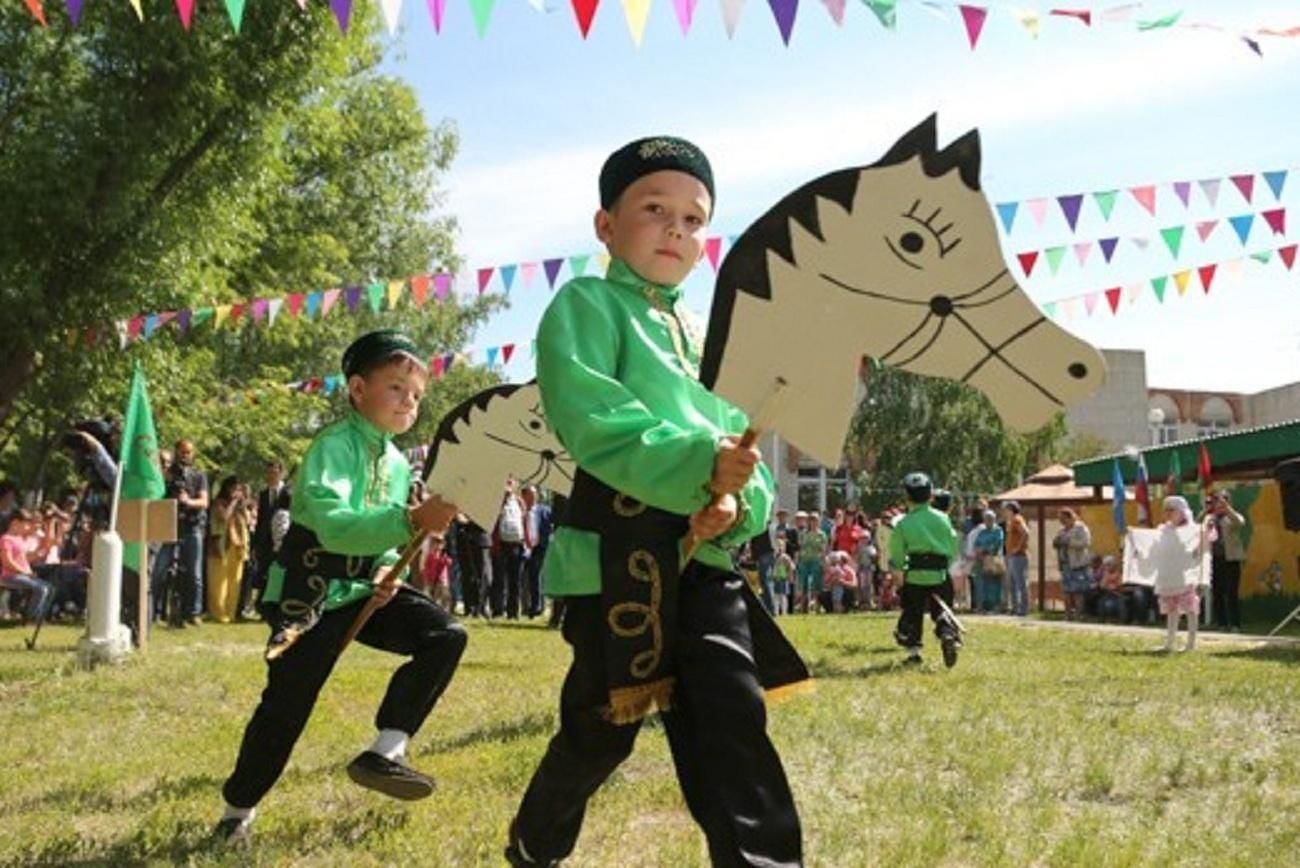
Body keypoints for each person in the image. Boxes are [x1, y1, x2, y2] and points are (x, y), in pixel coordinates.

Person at [507, 136, 806, 867]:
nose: (677, 228)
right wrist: (701, 466)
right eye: (654, 209)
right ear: (606, 225)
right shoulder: (585, 305)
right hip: (615, 559)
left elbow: (743, 450)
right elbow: (593, 419)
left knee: (732, 717)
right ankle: (534, 843)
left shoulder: (703, 338)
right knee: (600, 732)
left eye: (695, 218)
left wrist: (738, 502)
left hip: (703, 560)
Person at [214, 330, 465, 845]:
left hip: (361, 587)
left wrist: (383, 570)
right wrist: (411, 518)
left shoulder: (397, 463)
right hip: (310, 590)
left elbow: (390, 544)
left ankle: (386, 751)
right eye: (395, 387)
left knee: (446, 634)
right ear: (357, 389)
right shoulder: (332, 445)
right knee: (289, 701)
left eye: (416, 395)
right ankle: (238, 809)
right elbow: (333, 523)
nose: (408, 401)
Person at [889, 473, 961, 667]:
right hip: (939, 575)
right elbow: (952, 545)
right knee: (942, 608)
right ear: (931, 495)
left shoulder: (902, 523)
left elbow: (897, 556)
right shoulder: (943, 518)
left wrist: (900, 573)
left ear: (907, 497)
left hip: (915, 577)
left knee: (913, 612)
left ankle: (914, 654)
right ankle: (947, 632)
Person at [152, 439, 209, 626]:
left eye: (188, 452)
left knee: (194, 572)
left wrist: (187, 501)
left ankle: (193, 612)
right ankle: (153, 611)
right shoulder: (167, 474)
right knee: (159, 569)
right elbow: (157, 496)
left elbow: (204, 502)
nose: (185, 456)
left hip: (192, 527)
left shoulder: (199, 475)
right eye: (182, 452)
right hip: (169, 526)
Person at [1153, 496, 1210, 652]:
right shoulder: (1164, 530)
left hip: (1187, 576)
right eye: (1166, 510)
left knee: (1190, 610)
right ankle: (1169, 643)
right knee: (1172, 610)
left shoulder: (1193, 530)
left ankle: (1191, 644)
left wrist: (1206, 532)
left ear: (1182, 512)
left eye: (1171, 510)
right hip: (1170, 577)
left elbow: (1203, 547)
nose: (1168, 513)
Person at [206, 476, 252, 624]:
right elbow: (224, 517)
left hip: (237, 546)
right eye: (234, 488)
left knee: (235, 581)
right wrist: (233, 502)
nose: (237, 492)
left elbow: (249, 521)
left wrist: (243, 505)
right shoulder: (219, 503)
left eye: (239, 489)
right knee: (219, 580)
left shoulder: (241, 505)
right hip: (221, 544)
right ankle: (218, 613)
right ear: (227, 488)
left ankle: (231, 612)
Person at [0, 509, 56, 625]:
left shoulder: (19, 539)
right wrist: (25, 572)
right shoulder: (6, 539)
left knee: (50, 588)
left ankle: (40, 617)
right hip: (9, 576)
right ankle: (31, 618)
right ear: (15, 523)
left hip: (22, 575)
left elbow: (24, 558)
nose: (27, 527)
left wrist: (49, 524)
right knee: (41, 589)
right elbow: (7, 562)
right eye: (25, 524)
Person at [247, 460, 287, 619]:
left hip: (282, 540)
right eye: (269, 472)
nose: (271, 476)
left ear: (281, 473)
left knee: (280, 573)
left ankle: (279, 607)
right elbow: (261, 520)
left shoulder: (289, 492)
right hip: (266, 541)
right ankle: (264, 609)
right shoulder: (264, 494)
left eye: (274, 472)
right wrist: (256, 544)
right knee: (265, 573)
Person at [1203, 491, 1246, 632]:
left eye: (1222, 502)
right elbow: (1197, 525)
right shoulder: (1210, 519)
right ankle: (1222, 623)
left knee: (1231, 592)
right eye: (1217, 503)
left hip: (1231, 560)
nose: (1219, 506)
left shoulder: (1231, 517)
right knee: (1217, 592)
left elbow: (1240, 522)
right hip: (1214, 560)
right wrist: (1206, 510)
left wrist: (1227, 509)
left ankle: (1235, 624)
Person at [1053, 508, 1093, 620]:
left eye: (1063, 518)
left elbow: (1086, 542)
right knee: (1066, 590)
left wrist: (1070, 542)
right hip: (1065, 563)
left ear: (1070, 517)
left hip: (1077, 563)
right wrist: (1057, 542)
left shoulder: (1080, 528)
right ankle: (1068, 614)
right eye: (1060, 519)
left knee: (1078, 591)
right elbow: (1057, 542)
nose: (1061, 521)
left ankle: (1079, 614)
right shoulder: (1062, 530)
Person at [520, 485, 553, 619]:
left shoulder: (544, 510)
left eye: (535, 495)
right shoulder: (519, 509)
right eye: (530, 495)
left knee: (536, 577)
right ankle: (523, 606)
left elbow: (551, 526)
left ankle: (536, 607)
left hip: (538, 547)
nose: (533, 497)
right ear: (524, 496)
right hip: (521, 546)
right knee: (521, 577)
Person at [972, 510, 1005, 614]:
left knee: (993, 584)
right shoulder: (982, 531)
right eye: (986, 519)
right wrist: (978, 551)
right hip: (981, 560)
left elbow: (997, 544)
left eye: (990, 519)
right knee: (981, 584)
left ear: (993, 520)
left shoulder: (998, 530)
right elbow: (976, 543)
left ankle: (995, 607)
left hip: (992, 560)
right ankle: (981, 606)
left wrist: (985, 550)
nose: (988, 522)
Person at [1002, 500, 1030, 616]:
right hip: (1011, 556)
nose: (1004, 512)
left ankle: (1023, 609)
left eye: (1006, 509)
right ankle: (1014, 608)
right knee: (1011, 583)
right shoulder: (1010, 521)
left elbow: (1025, 532)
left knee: (1020, 583)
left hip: (1018, 556)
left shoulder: (1017, 519)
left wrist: (1018, 548)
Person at [798, 510, 828, 614]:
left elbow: (824, 550)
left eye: (815, 520)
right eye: (811, 520)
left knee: (816, 584)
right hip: (804, 561)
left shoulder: (822, 535)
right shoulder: (804, 534)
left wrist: (824, 563)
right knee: (804, 584)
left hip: (816, 560)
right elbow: (801, 547)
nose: (813, 522)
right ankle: (803, 608)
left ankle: (817, 607)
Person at [772, 539, 794, 616]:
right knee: (775, 596)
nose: (779, 548)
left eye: (781, 546)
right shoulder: (773, 557)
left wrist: (790, 576)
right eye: (777, 546)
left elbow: (791, 567)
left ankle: (784, 612)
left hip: (783, 579)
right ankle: (776, 612)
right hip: (775, 579)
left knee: (783, 596)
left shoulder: (785, 557)